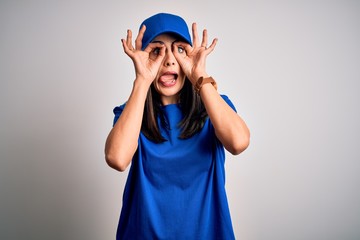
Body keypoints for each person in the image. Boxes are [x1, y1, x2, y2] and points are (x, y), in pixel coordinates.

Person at [105, 12, 250, 240]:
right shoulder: (131, 114)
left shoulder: (213, 108)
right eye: (156, 51)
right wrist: (142, 80)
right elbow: (117, 158)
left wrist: (199, 76)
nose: (169, 60)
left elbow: (239, 143)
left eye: (180, 50)